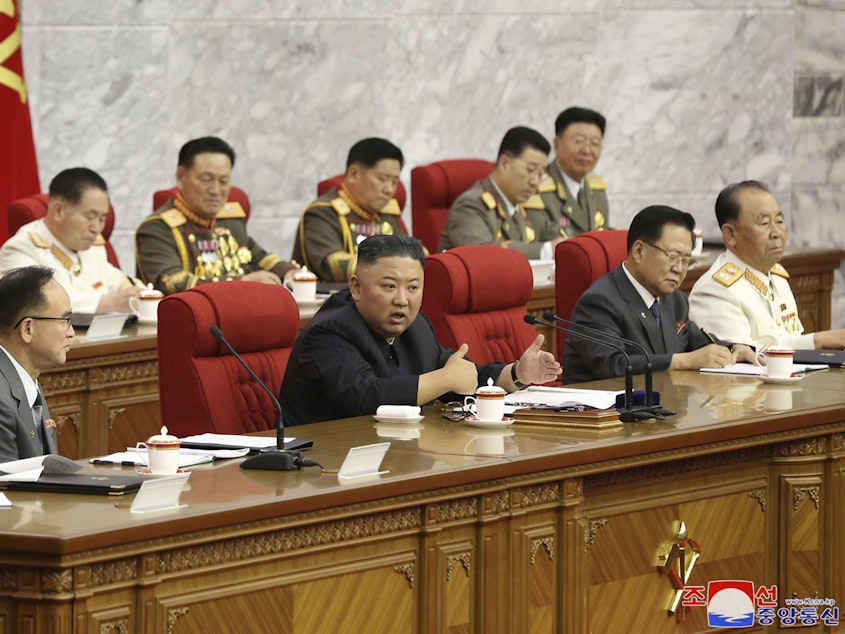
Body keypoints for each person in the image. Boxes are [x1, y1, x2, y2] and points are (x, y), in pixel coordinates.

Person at [280, 234, 561, 425]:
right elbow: (367, 397)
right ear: (356, 287)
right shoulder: (329, 332)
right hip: (323, 469)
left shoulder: (417, 327)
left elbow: (458, 376)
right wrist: (444, 380)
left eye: (413, 287)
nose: (402, 299)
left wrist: (516, 373)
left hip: (393, 458)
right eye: (389, 286)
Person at [563, 205, 756, 384]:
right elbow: (613, 365)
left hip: (660, 406)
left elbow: (696, 341)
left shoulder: (675, 300)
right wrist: (683, 361)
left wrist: (734, 349)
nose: (679, 269)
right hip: (607, 415)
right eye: (672, 257)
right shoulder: (599, 302)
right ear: (639, 251)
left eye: (686, 261)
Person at [688, 180, 845, 350]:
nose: (776, 233)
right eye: (764, 224)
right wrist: (817, 341)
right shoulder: (714, 289)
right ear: (730, 234)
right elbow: (741, 360)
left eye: (779, 221)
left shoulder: (776, 276)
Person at [135, 136, 298, 295]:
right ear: (181, 176)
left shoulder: (230, 220)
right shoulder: (156, 229)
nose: (215, 190)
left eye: (224, 181)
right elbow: (175, 284)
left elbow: (258, 257)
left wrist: (289, 272)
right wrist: (240, 283)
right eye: (206, 179)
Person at [0, 168, 142, 313]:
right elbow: (36, 303)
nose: (97, 228)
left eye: (102, 219)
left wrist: (140, 294)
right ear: (58, 211)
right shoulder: (21, 248)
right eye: (90, 217)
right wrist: (107, 303)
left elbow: (115, 279)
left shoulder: (93, 246)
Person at [291, 137, 409, 282]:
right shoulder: (322, 214)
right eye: (383, 179)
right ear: (354, 174)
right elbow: (335, 267)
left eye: (394, 182)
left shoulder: (385, 213)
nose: (389, 190)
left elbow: (412, 252)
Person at [438, 126, 563, 258]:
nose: (535, 182)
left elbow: (553, 235)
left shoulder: (524, 205)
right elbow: (482, 254)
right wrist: (546, 251)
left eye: (540, 174)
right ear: (504, 163)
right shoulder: (469, 206)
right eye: (530, 170)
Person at [0, 266, 73, 462]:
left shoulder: (24, 378)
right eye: (65, 320)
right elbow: (7, 485)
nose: (71, 332)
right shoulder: (1, 398)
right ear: (28, 329)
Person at [534, 106, 610, 237]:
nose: (587, 150)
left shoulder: (597, 191)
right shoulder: (535, 187)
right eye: (578, 141)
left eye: (595, 143)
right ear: (557, 145)